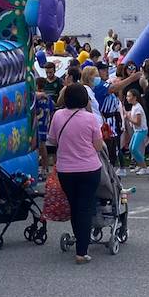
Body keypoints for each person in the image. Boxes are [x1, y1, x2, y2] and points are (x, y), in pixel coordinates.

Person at [46, 84, 107, 264]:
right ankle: (82, 251)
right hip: (89, 169)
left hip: (66, 170)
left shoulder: (57, 116)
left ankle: (78, 240)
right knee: (85, 208)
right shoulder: (90, 119)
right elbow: (97, 146)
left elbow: (52, 141)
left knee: (74, 207)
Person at [124, 89, 148, 167]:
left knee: (134, 148)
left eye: (129, 96)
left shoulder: (138, 108)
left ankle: (144, 166)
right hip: (137, 130)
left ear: (134, 97)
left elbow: (138, 122)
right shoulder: (134, 106)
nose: (127, 98)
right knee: (131, 148)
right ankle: (140, 165)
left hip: (141, 130)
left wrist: (128, 118)